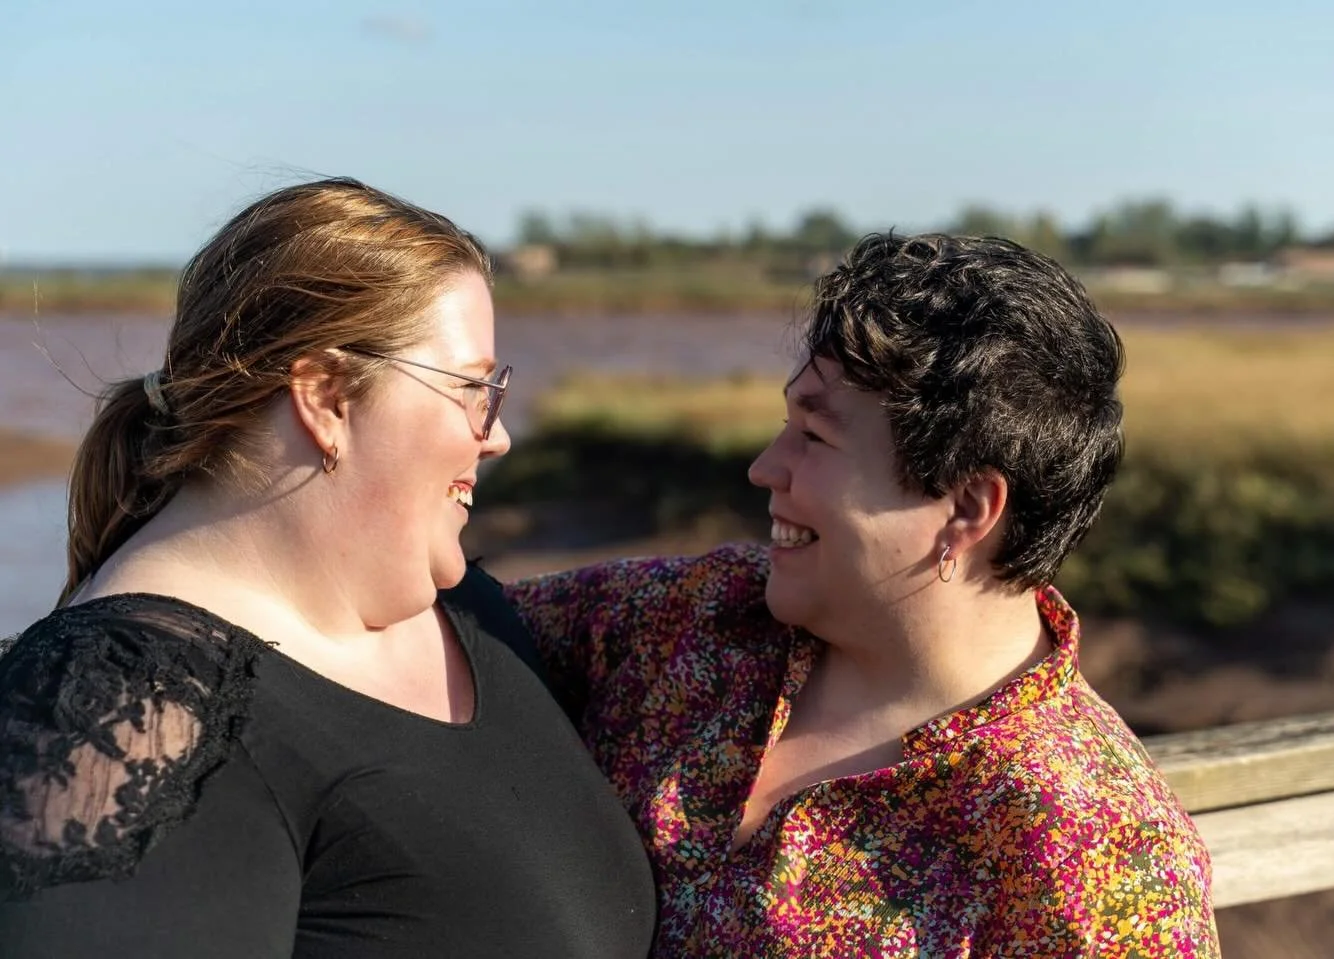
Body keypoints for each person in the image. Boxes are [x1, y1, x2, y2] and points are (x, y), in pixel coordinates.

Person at [504, 232, 1221, 957]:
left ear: (969, 507)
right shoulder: (698, 615)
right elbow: (444, 630)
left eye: (813, 436)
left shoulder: (1102, 862)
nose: (763, 468)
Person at [0, 178, 655, 958]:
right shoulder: (119, 720)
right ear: (327, 396)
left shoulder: (474, 614)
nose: (499, 434)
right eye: (475, 388)